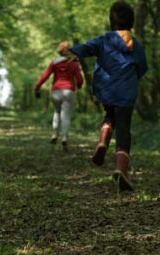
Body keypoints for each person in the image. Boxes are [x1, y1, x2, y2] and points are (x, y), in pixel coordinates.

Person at [69, 1, 148, 191]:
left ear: (112, 22)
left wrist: (71, 51)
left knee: (109, 116)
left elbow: (86, 48)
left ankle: (102, 142)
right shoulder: (135, 45)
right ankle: (121, 170)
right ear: (132, 22)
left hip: (107, 89)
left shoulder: (104, 40)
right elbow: (142, 68)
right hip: (126, 92)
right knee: (123, 128)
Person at [34, 41, 84, 151]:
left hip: (56, 91)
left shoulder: (54, 62)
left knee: (57, 112)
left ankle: (54, 134)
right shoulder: (74, 63)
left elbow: (44, 76)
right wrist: (79, 85)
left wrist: (37, 88)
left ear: (60, 51)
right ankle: (64, 137)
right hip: (68, 91)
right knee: (65, 115)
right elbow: (79, 79)